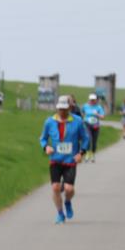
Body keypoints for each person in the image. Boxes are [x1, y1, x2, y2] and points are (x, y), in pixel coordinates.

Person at [40, 95, 89, 224]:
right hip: (55, 160)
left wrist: (81, 153)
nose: (62, 112)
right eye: (60, 109)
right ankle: (60, 214)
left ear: (69, 108)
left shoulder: (77, 121)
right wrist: (46, 147)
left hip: (70, 160)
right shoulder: (49, 122)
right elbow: (43, 138)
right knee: (56, 187)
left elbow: (85, 139)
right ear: (57, 108)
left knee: (69, 189)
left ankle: (67, 201)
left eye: (64, 109)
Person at [82, 94, 105, 162]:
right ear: (89, 99)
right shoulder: (85, 106)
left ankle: (93, 154)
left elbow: (103, 117)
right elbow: (82, 113)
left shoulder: (99, 107)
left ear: (96, 100)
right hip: (87, 124)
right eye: (91, 100)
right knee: (88, 138)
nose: (92, 101)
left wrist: (97, 114)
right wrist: (84, 118)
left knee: (94, 141)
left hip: (95, 125)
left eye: (93, 100)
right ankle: (87, 154)